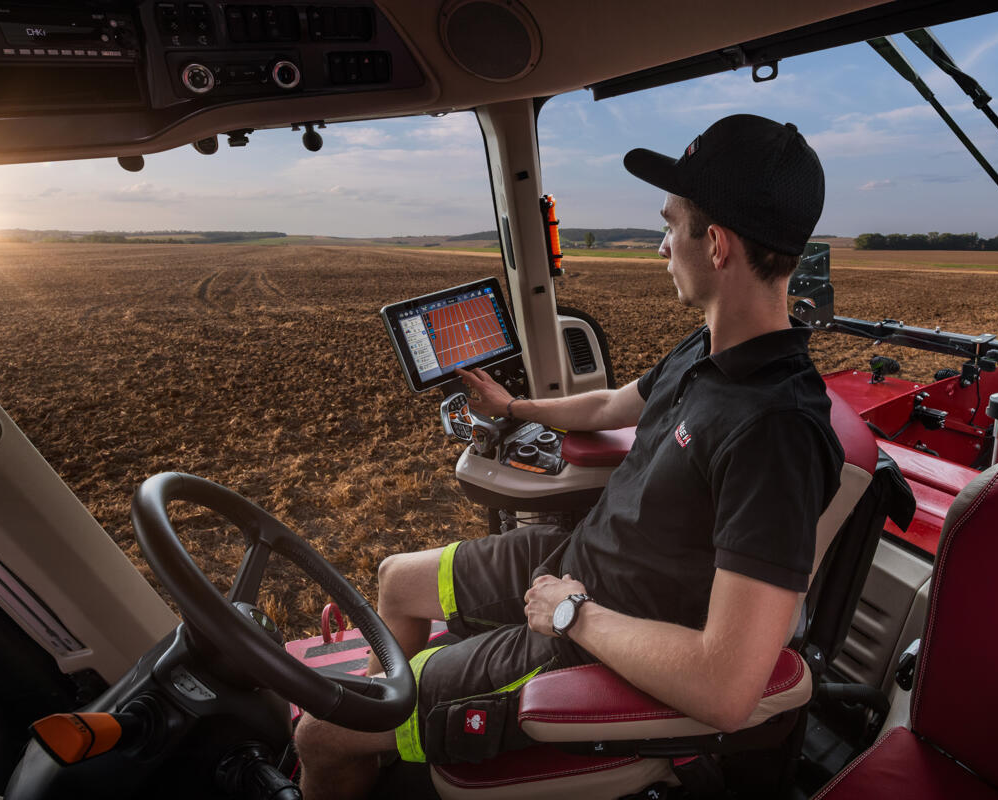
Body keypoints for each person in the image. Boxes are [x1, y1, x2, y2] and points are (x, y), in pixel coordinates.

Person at [294, 114, 844, 799]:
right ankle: (397, 743)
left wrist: (571, 614)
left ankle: (379, 735)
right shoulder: (707, 350)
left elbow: (726, 688)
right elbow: (611, 406)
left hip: (585, 635)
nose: (662, 248)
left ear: (719, 245)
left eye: (669, 227)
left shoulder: (776, 431)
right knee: (395, 577)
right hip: (574, 563)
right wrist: (512, 408)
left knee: (319, 734)